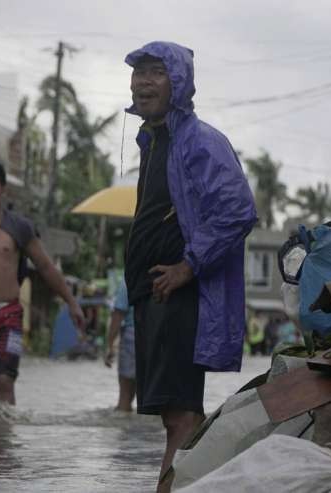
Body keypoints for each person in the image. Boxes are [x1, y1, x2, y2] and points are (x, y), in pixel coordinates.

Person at [123, 42, 258, 491]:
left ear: (178, 82)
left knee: (180, 415)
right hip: (156, 294)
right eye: (139, 72)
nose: (144, 81)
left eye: (156, 72)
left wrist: (186, 267)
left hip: (181, 294)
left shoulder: (200, 140)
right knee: (177, 414)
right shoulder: (156, 140)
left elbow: (238, 210)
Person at [0, 160, 85, 407]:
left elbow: (45, 267)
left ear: (3, 190)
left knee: (3, 380)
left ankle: (3, 442)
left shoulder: (19, 227)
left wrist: (71, 302)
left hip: (7, 315)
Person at [104, 278, 136, 412]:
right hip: (157, 338)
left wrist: (110, 346)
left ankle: (124, 430)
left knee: (125, 397)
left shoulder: (128, 281)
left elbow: (117, 316)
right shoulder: (161, 276)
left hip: (131, 337)